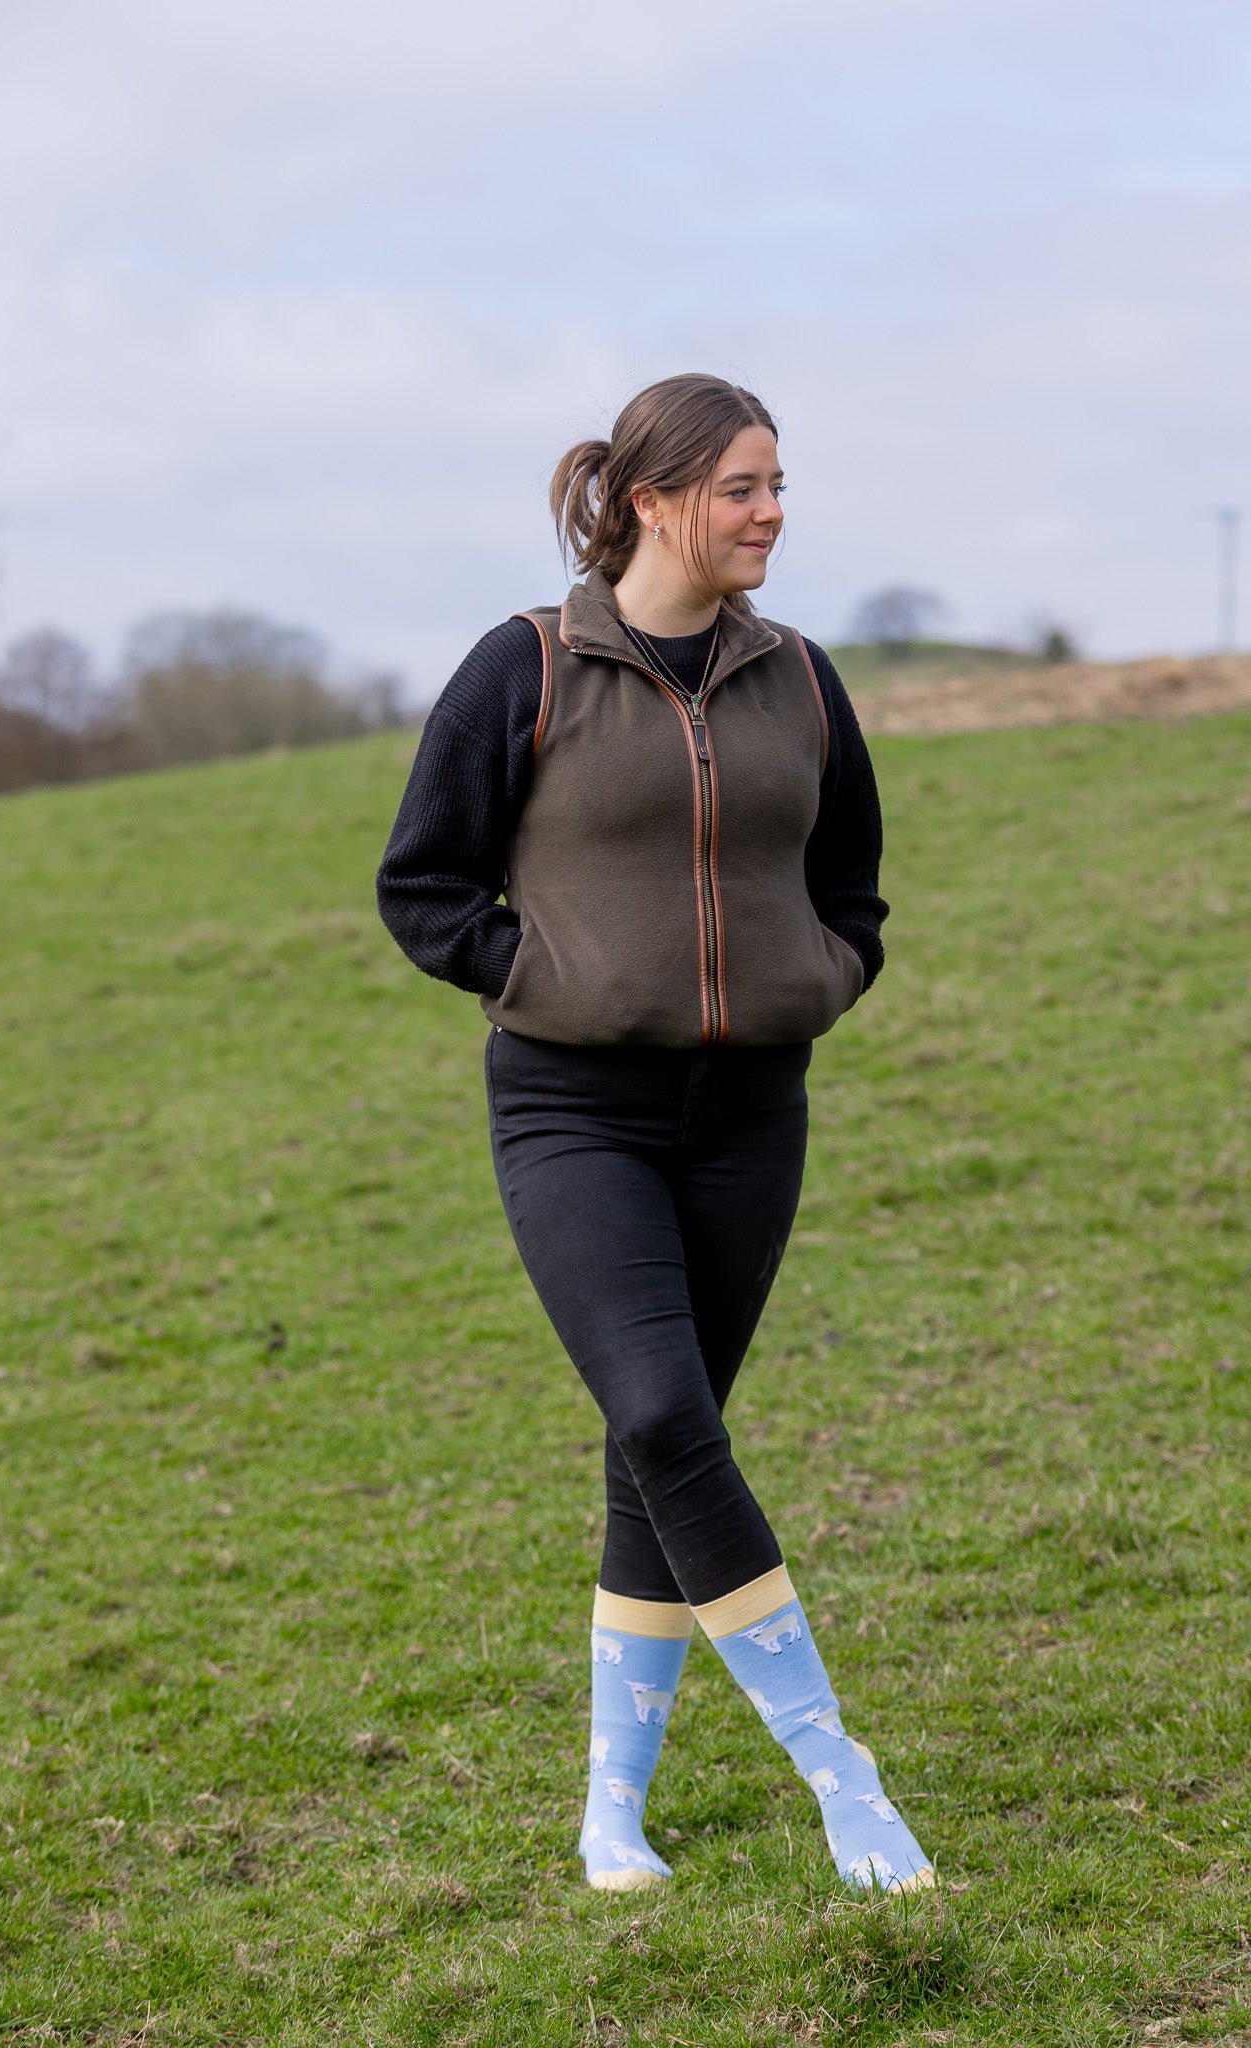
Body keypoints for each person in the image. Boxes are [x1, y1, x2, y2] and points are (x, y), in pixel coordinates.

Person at [377, 373, 933, 1897]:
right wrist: (546, 979)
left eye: (778, 485)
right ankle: (843, 1780)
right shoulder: (526, 666)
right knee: (673, 1421)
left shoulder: (800, 677)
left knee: (657, 1450)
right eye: (742, 487)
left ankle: (610, 1817)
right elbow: (423, 886)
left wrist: (827, 974)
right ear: (652, 500)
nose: (771, 513)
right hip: (576, 1112)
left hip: (752, 1116)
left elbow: (854, 884)